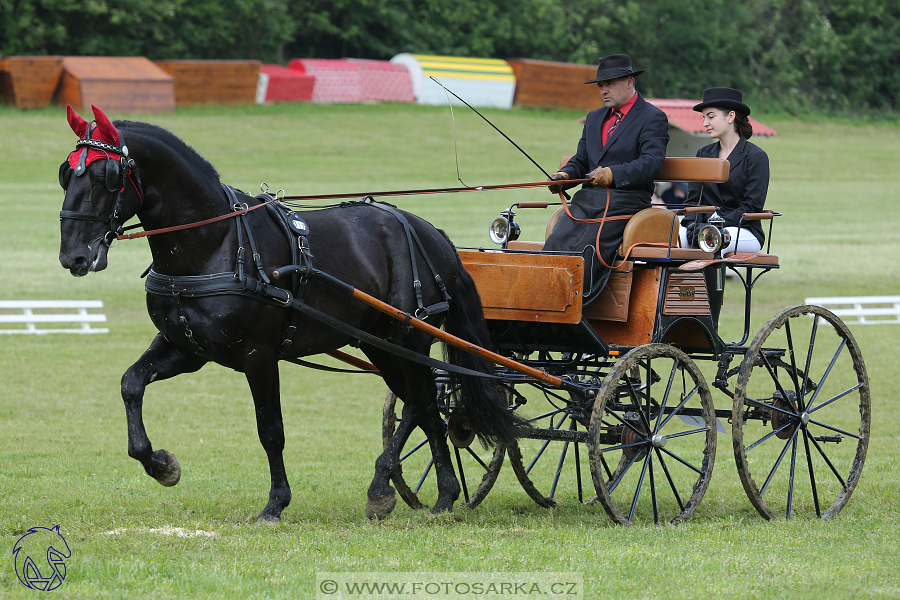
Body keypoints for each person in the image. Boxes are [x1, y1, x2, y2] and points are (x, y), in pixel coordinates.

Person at [545, 54, 669, 302]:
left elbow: (652, 163)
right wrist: (564, 175)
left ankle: (571, 300)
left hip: (627, 201)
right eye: (601, 85)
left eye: (609, 84)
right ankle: (543, 293)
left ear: (629, 81)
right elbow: (581, 160)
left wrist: (613, 174)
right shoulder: (593, 119)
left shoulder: (652, 117)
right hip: (587, 199)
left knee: (588, 243)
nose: (603, 90)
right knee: (557, 239)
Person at [679, 87, 769, 255]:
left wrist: (712, 226)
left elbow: (751, 206)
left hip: (743, 228)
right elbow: (693, 201)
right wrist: (693, 225)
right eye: (703, 118)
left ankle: (709, 282)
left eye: (711, 116)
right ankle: (674, 282)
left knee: (714, 240)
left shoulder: (756, 157)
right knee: (670, 238)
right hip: (703, 227)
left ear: (731, 116)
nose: (705, 123)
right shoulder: (703, 154)